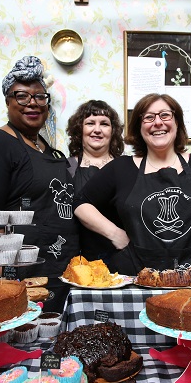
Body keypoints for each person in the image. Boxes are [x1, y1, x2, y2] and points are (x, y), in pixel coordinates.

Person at [74, 93, 191, 276]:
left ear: (177, 123)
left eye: (165, 115)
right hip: (135, 277)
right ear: (139, 127)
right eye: (148, 117)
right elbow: (81, 203)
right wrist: (114, 233)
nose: (158, 122)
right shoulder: (121, 168)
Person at [0, 56, 78, 312]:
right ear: (7, 101)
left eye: (40, 97)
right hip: (24, 282)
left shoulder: (49, 150)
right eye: (22, 96)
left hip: (61, 276)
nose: (32, 103)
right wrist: (9, 285)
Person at [65, 100, 125, 263]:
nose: (97, 130)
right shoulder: (66, 168)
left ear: (113, 131)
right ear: (80, 129)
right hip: (78, 259)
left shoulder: (127, 167)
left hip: (122, 254)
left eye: (104, 124)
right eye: (90, 123)